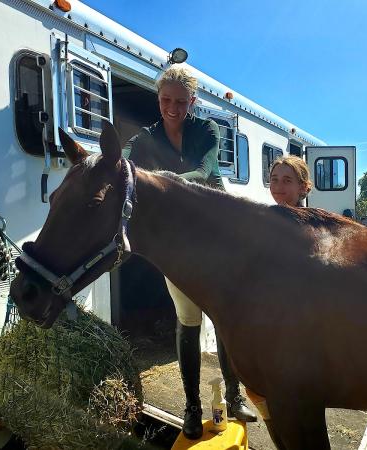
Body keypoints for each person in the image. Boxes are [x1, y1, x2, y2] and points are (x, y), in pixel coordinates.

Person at [122, 66, 256, 440]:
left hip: (216, 233)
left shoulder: (207, 130)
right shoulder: (146, 136)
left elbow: (206, 170)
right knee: (188, 320)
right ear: (158, 98)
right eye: (166, 100)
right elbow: (125, 159)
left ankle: (233, 395)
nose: (173, 108)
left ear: (192, 102)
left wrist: (165, 181)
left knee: (225, 317)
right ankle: (192, 407)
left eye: (181, 102)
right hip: (179, 242)